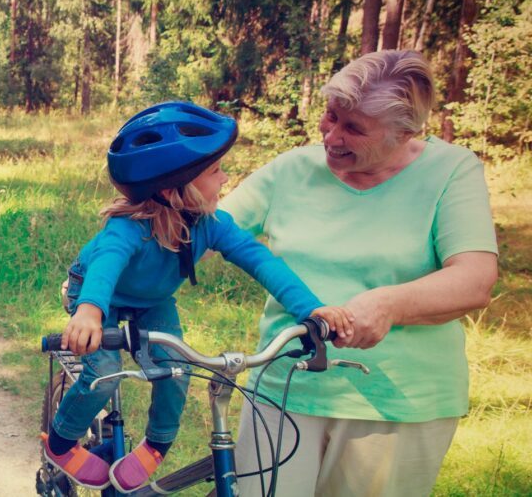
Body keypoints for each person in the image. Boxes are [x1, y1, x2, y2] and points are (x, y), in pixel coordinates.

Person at [223, 50, 498, 497]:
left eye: (353, 128)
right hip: (283, 386)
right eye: (330, 117)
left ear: (405, 132)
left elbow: (475, 279)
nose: (332, 135)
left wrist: (389, 304)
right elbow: (204, 229)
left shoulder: (450, 171)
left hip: (397, 404)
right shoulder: (293, 169)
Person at [44, 102, 353, 493]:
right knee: (103, 374)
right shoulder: (128, 228)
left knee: (177, 370)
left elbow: (260, 260)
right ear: (175, 190)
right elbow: (106, 264)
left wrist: (311, 309)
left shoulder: (212, 224)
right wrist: (88, 311)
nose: (225, 178)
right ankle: (60, 443)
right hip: (95, 295)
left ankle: (156, 444)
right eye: (215, 171)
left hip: (152, 302)